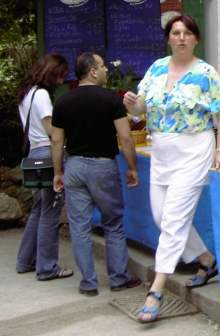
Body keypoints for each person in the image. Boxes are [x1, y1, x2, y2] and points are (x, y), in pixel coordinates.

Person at [123, 14, 220, 323]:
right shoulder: (156, 68)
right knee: (162, 217)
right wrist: (133, 105)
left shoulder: (206, 73)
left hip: (193, 148)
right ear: (169, 38)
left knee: (173, 220)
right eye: (176, 32)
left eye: (187, 32)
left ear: (196, 39)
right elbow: (141, 109)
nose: (182, 37)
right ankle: (206, 259)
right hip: (162, 150)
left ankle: (156, 289)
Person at [51, 52, 141, 296]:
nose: (105, 70)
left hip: (74, 167)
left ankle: (88, 283)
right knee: (113, 223)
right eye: (102, 66)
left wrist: (58, 172)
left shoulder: (62, 102)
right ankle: (118, 278)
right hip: (103, 167)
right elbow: (125, 137)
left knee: (79, 226)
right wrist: (132, 168)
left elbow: (57, 142)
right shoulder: (112, 100)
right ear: (92, 71)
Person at [16, 53, 74, 281]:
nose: (61, 82)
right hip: (47, 155)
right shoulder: (41, 95)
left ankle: (25, 261)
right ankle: (47, 267)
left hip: (33, 155)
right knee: (50, 212)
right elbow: (53, 131)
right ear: (50, 74)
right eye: (59, 77)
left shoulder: (27, 94)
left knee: (38, 210)